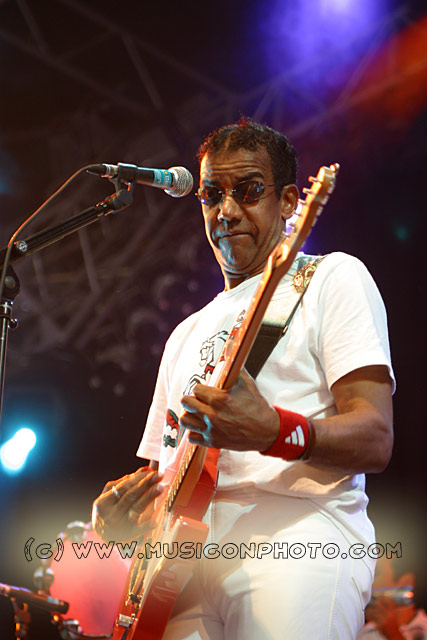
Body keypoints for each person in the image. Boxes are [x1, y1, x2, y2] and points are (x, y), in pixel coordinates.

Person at [92, 118, 395, 639]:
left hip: (299, 537)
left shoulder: (330, 277)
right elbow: (164, 480)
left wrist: (275, 432)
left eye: (249, 191)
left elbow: (376, 436)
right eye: (212, 195)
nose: (226, 210)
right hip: (182, 571)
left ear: (290, 201)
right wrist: (124, 523)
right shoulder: (184, 334)